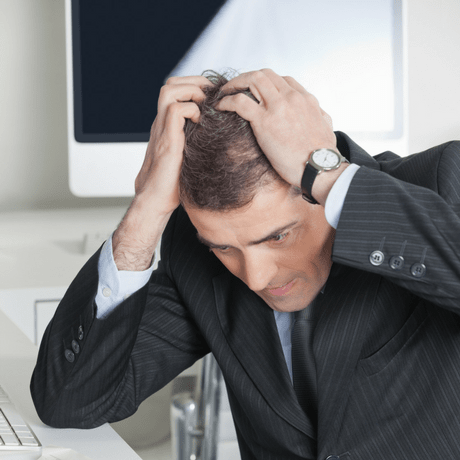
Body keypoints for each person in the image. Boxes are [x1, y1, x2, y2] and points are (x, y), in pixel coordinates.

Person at [31, 69, 460, 460]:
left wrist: (329, 175)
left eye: (277, 236)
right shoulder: (194, 257)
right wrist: (145, 210)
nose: (255, 276)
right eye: (223, 248)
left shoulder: (439, 184)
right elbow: (71, 401)